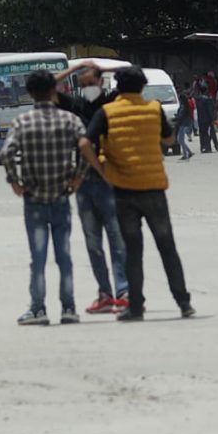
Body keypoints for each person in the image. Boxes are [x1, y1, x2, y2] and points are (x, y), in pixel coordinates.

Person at [82, 67, 192, 321]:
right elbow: (169, 140)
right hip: (153, 189)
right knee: (167, 247)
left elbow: (85, 143)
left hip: (123, 191)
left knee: (132, 251)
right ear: (142, 87)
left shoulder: (107, 112)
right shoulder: (154, 108)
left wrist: (101, 168)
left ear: (117, 87)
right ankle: (183, 302)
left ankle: (135, 306)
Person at [0, 70, 85, 326]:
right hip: (61, 196)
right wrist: (77, 177)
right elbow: (84, 147)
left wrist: (14, 181)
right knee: (64, 256)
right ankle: (68, 308)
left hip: (34, 198)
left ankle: (38, 309)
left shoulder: (22, 122)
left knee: (37, 257)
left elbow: (6, 153)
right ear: (53, 91)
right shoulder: (70, 120)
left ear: (30, 93)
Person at [60, 65, 129, 314]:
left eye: (90, 82)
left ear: (101, 81)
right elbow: (47, 87)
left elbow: (133, 77)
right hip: (83, 181)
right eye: (83, 83)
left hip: (109, 179)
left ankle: (123, 290)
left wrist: (109, 67)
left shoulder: (111, 100)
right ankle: (104, 293)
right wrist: (77, 67)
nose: (87, 87)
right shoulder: (76, 104)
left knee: (117, 238)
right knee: (93, 243)